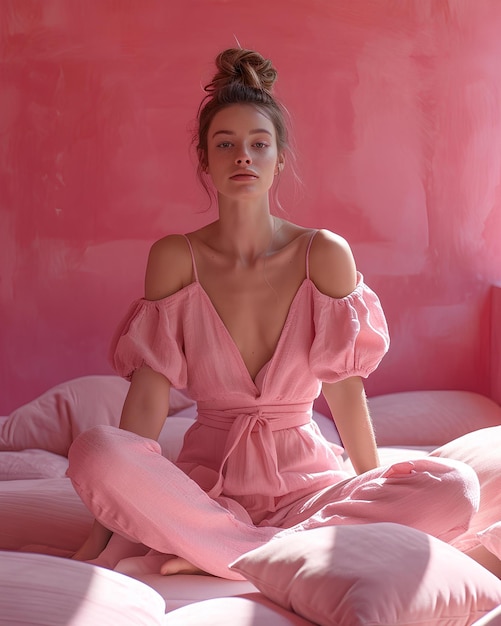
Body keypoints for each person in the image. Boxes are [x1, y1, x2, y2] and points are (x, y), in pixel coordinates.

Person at [67, 48, 481, 579]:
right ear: (205, 160)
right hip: (206, 495)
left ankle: (224, 555)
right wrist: (103, 527)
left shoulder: (324, 253)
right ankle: (258, 551)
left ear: (279, 158)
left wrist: (375, 487)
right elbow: (147, 399)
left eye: (259, 145)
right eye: (226, 144)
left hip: (308, 490)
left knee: (454, 487)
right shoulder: (175, 258)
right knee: (97, 449)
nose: (243, 156)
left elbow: (344, 393)